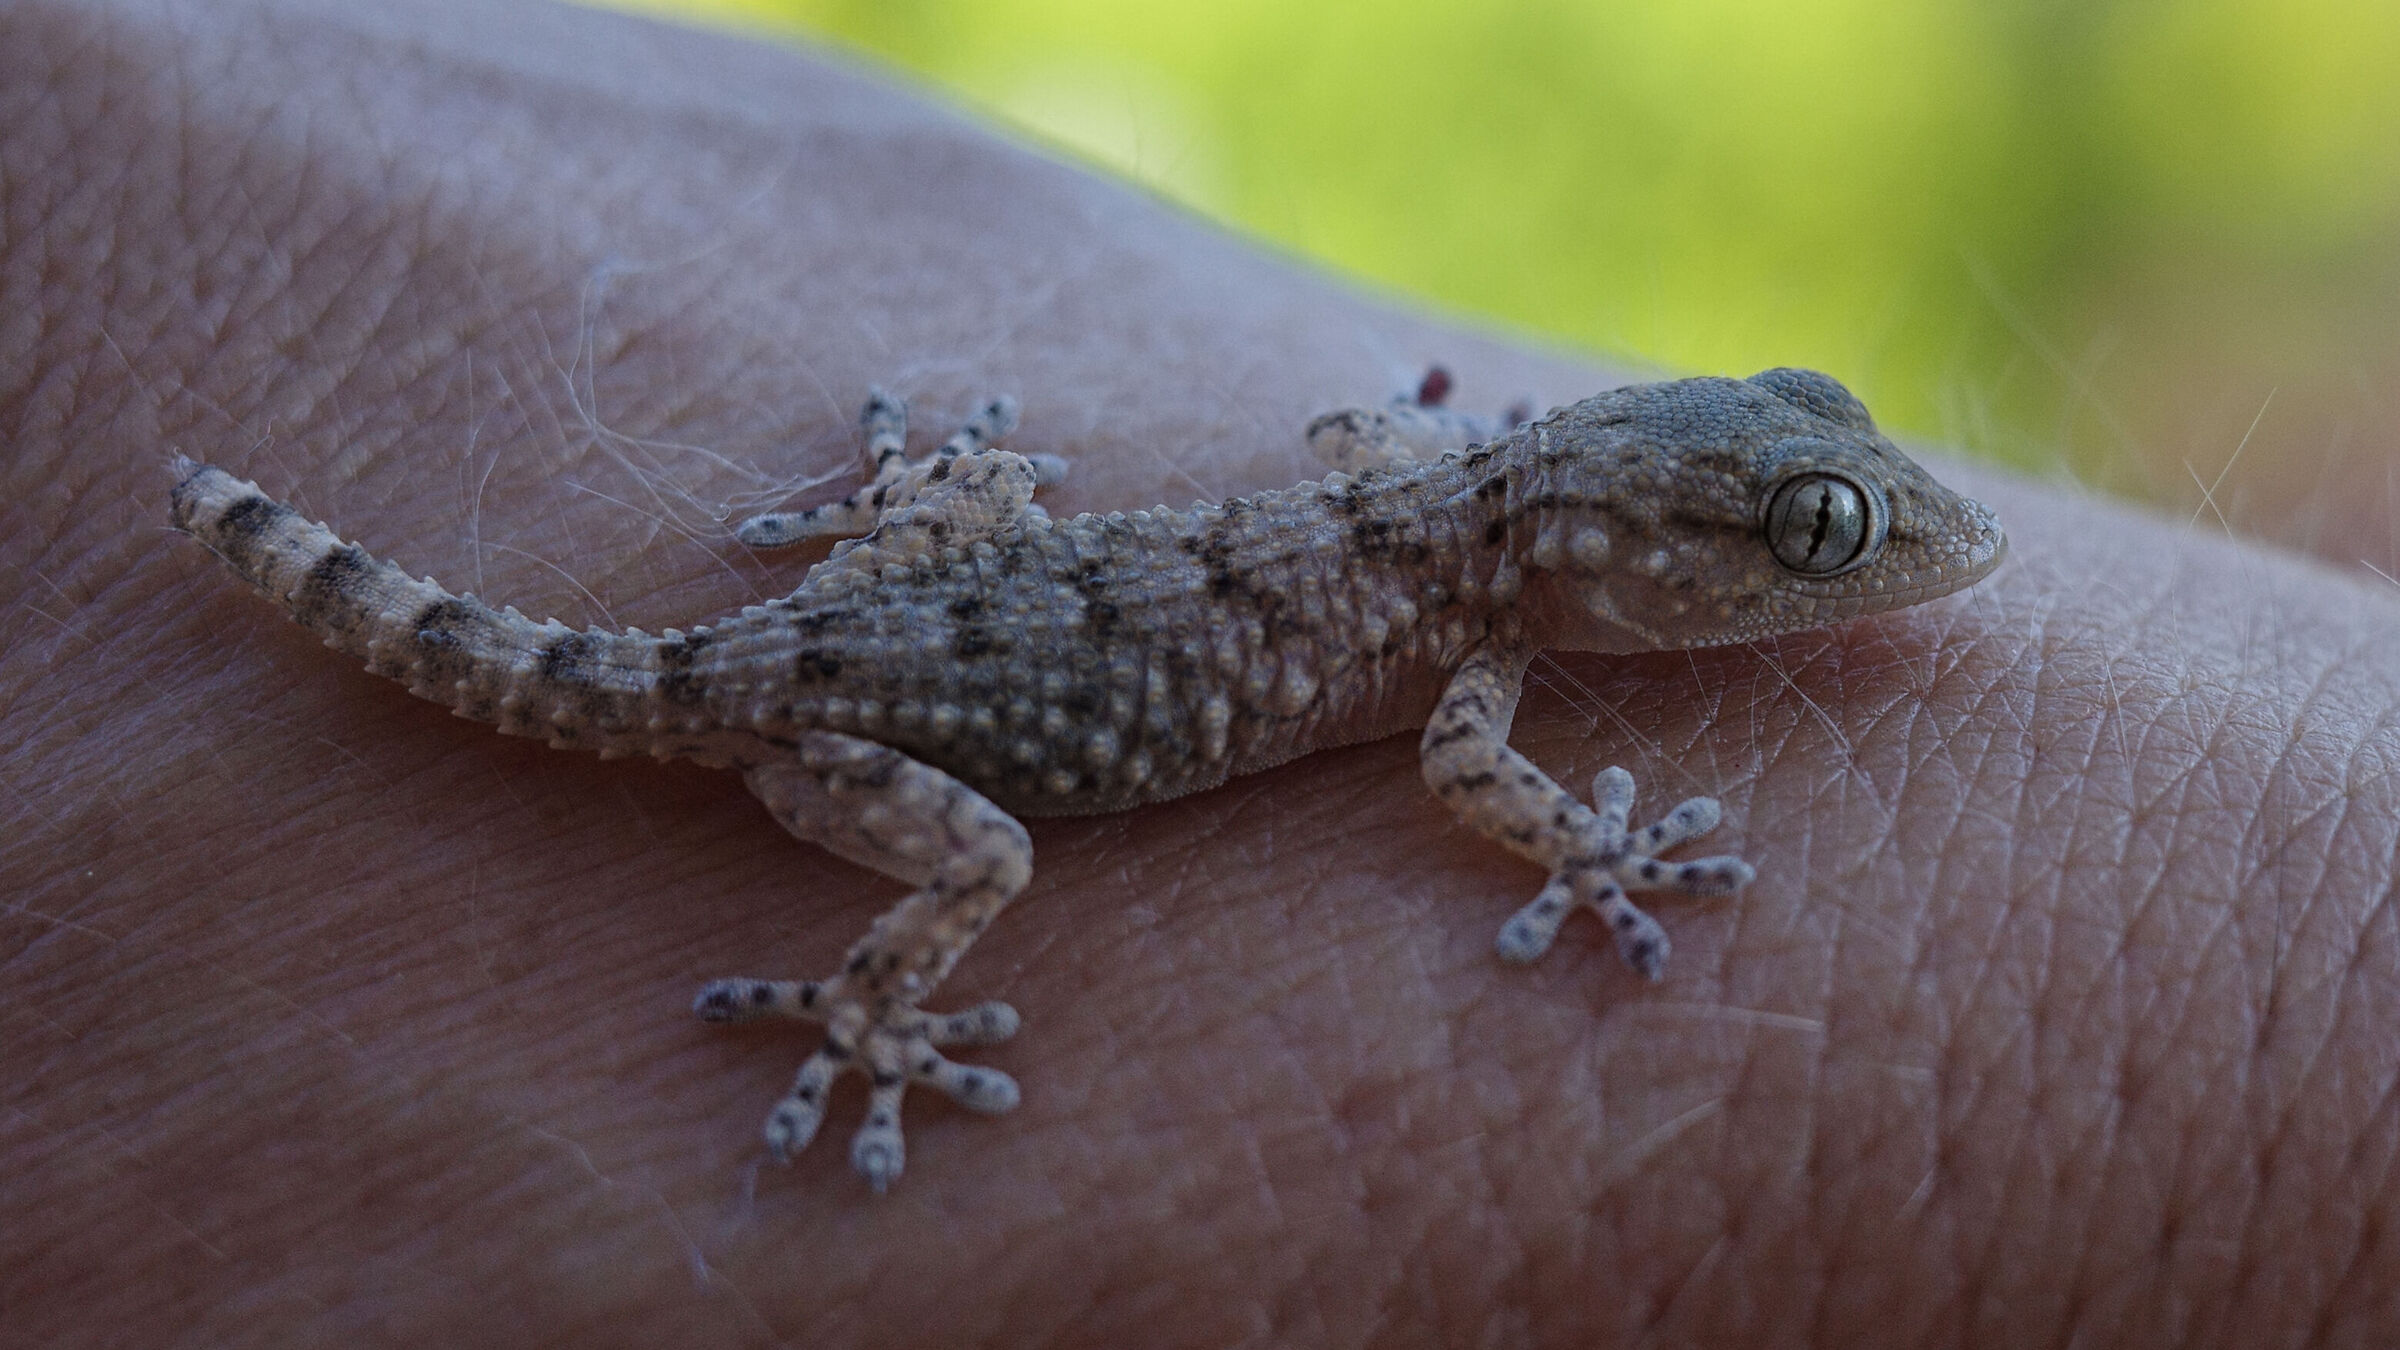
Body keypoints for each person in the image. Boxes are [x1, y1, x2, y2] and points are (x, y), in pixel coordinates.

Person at [7, 0, 2398, 1344]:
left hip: (865, 607)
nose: (1857, 571)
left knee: (1000, 509)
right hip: (816, 721)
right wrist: (1598, 846)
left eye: (1819, 515)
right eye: (1811, 535)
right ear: (1600, 544)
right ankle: (871, 1010)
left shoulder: (1436, 537)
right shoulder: (1473, 666)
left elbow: (1365, 456)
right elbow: (1482, 794)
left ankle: (379, 538)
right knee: (992, 850)